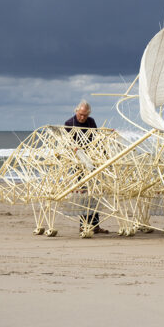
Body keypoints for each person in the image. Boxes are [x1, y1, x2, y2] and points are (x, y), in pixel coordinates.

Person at [65, 100, 108, 234]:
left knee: (94, 193)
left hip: (91, 162)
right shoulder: (69, 124)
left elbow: (96, 139)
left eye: (85, 115)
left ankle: (95, 225)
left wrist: (104, 154)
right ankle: (83, 225)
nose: (82, 117)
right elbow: (67, 144)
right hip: (78, 163)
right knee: (84, 194)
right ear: (76, 111)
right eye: (80, 114)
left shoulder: (91, 122)